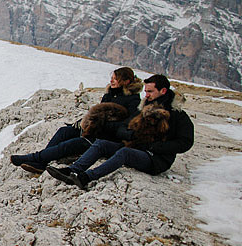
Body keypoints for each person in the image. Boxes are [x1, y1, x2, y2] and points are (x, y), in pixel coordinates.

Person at [47, 74, 194, 190]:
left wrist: (154, 147)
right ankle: (72, 170)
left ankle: (85, 178)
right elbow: (123, 126)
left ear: (163, 91)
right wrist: (129, 135)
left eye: (150, 92)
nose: (146, 95)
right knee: (101, 144)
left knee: (125, 154)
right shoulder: (143, 108)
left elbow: (186, 142)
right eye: (145, 92)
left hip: (156, 159)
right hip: (136, 147)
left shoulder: (177, 115)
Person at [9, 67, 142, 174]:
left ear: (126, 81)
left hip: (104, 136)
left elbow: (127, 124)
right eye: (111, 78)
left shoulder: (133, 100)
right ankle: (42, 162)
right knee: (64, 131)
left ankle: (35, 158)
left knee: (68, 145)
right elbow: (98, 112)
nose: (112, 81)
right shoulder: (109, 94)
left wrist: (101, 124)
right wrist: (85, 121)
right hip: (94, 129)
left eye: (116, 79)